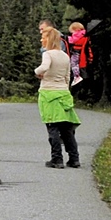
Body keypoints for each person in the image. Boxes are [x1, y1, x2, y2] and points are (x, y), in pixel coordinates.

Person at [36, 26, 81, 168]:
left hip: (49, 93)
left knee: (52, 126)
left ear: (49, 39)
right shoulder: (65, 56)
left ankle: (57, 158)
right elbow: (68, 76)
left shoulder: (48, 54)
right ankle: (74, 158)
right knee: (66, 128)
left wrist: (37, 72)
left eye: (43, 37)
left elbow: (44, 67)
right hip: (63, 93)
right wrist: (65, 88)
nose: (41, 39)